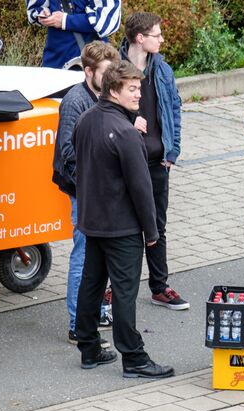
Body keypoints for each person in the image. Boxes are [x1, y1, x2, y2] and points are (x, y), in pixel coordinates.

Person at [73, 60, 174, 379]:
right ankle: (134, 357)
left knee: (91, 284)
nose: (138, 95)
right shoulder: (126, 133)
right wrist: (151, 230)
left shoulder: (87, 119)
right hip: (122, 226)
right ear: (113, 90)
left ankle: (89, 348)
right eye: (132, 89)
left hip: (93, 221)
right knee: (125, 291)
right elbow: (141, 186)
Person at [52, 40, 119, 347]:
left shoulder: (105, 95)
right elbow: (67, 152)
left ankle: (96, 311)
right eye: (106, 72)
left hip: (103, 189)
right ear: (89, 71)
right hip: (84, 190)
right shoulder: (75, 102)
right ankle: (77, 324)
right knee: (83, 255)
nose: (111, 78)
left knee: (100, 253)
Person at [120, 12, 187, 310]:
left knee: (157, 226)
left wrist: (172, 152)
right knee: (123, 226)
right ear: (139, 38)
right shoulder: (116, 69)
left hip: (158, 161)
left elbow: (174, 108)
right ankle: (115, 286)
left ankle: (159, 287)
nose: (162, 40)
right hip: (125, 163)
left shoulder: (163, 69)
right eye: (156, 35)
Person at [26, 0, 122, 70]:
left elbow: (106, 21)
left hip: (91, 61)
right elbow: (34, 9)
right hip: (55, 58)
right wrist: (43, 13)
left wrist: (65, 21)